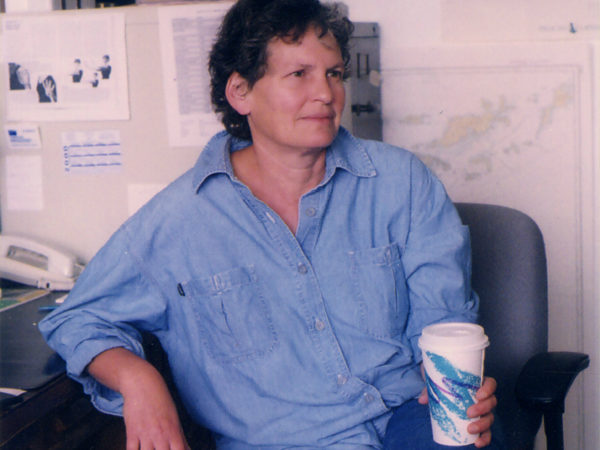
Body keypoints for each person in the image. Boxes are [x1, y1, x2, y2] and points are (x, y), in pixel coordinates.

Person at [39, 1, 500, 448]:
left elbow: (445, 326)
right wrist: (138, 379)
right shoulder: (179, 219)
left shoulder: (402, 182)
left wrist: (464, 396)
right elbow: (77, 318)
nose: (326, 93)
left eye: (334, 73)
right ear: (240, 92)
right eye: (299, 74)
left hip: (410, 419)